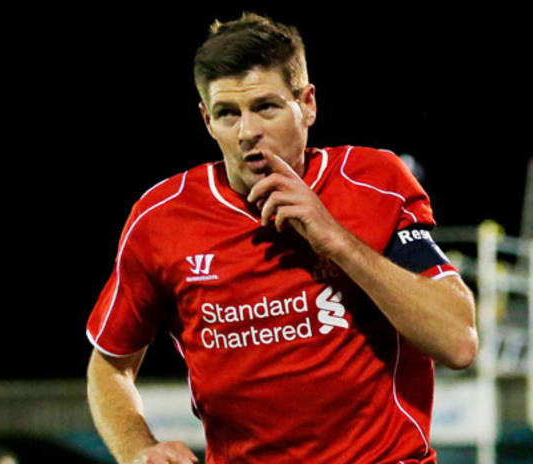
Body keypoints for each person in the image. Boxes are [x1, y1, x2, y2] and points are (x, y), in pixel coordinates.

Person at [86, 12, 477, 464]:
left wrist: (335, 239)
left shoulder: (373, 181)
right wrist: (137, 448)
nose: (248, 131)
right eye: (227, 113)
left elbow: (458, 341)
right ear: (207, 121)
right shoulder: (161, 219)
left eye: (266, 107)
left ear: (307, 104)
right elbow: (110, 364)